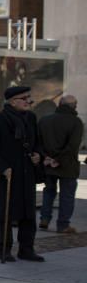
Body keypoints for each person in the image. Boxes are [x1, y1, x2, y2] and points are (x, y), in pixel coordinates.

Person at [0, 85, 44, 262]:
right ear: (12, 101)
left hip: (27, 173)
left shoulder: (30, 118)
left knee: (28, 214)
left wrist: (38, 155)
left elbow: (37, 142)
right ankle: (4, 250)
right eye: (24, 98)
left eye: (29, 98)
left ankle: (26, 249)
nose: (28, 102)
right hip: (7, 175)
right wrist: (2, 167)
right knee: (5, 214)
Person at [39, 94, 82, 234]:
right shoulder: (75, 122)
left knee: (49, 191)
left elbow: (39, 142)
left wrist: (48, 158)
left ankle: (44, 219)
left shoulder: (45, 120)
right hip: (67, 165)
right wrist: (57, 159)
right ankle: (63, 225)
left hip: (47, 163)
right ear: (74, 106)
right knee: (67, 195)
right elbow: (73, 146)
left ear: (59, 104)